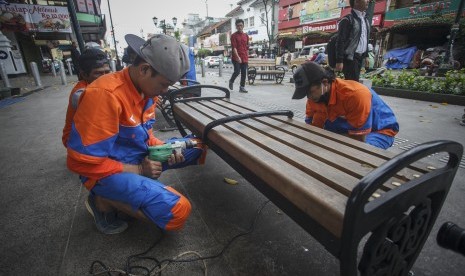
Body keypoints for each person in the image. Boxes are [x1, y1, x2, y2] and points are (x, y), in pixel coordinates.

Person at [66, 34, 204, 234]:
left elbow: (145, 137)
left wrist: (167, 149)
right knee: (178, 211)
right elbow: (79, 164)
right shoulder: (105, 96)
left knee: (198, 145)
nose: (165, 91)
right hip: (104, 172)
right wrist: (139, 170)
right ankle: (103, 201)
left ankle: (135, 189)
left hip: (136, 155)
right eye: (164, 84)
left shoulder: (147, 92)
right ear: (144, 70)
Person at [292, 62, 399, 149]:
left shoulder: (355, 95)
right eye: (305, 94)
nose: (308, 98)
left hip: (378, 131)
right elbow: (310, 127)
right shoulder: (314, 97)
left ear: (324, 82)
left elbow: (358, 139)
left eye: (309, 92)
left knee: (361, 154)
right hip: (346, 129)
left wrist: (325, 141)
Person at [62, 49, 111, 148]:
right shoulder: (81, 93)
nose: (105, 77)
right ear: (84, 75)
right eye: (98, 73)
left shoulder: (99, 86)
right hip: (74, 140)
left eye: (107, 72)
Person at [335, 0, 373, 81]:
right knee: (353, 83)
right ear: (356, 2)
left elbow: (365, 39)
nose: (368, 1)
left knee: (353, 83)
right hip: (350, 58)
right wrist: (339, 60)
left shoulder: (365, 20)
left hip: (360, 57)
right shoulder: (347, 19)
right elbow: (340, 40)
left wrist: (366, 56)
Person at [229, 19, 249, 93]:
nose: (240, 27)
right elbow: (234, 48)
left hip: (244, 57)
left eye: (241, 25)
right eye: (238, 26)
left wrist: (247, 56)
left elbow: (247, 47)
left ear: (243, 26)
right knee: (237, 71)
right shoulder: (233, 36)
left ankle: (242, 87)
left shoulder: (246, 35)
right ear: (236, 27)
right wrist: (238, 57)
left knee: (244, 73)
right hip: (236, 57)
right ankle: (231, 81)